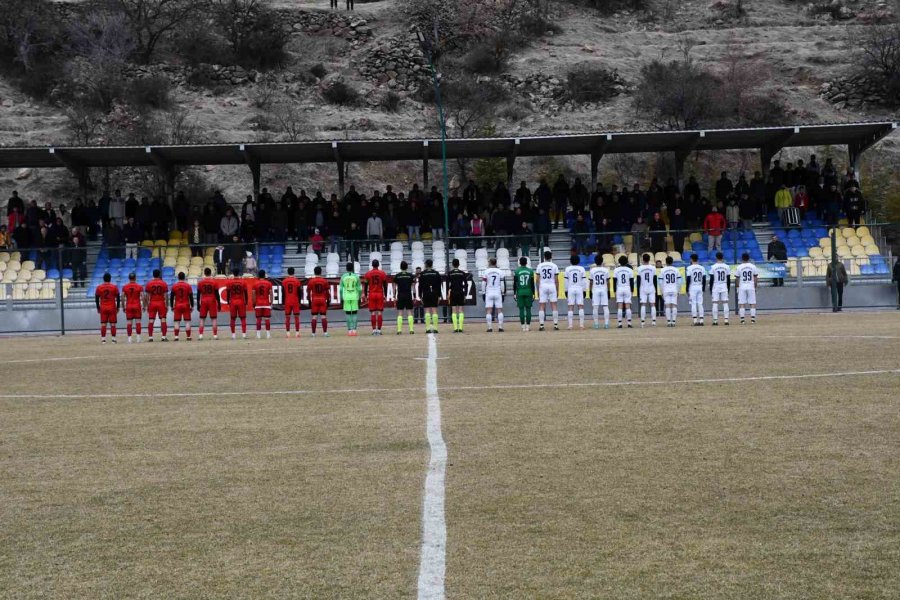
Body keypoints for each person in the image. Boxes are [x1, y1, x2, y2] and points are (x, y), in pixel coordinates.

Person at [536, 250, 560, 331]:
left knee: (542, 306)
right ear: (551, 257)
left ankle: (542, 325)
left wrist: (538, 290)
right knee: (554, 305)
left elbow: (537, 279)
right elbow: (556, 280)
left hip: (543, 286)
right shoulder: (554, 266)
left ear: (544, 257)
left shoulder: (540, 266)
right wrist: (557, 290)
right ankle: (556, 324)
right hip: (552, 285)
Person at [363, 259, 387, 335]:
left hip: (372, 293)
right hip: (379, 293)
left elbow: (366, 285)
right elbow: (385, 285)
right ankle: (379, 330)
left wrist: (366, 295)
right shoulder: (382, 273)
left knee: (373, 312)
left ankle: (374, 330)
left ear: (372, 265)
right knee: (379, 312)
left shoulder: (368, 274)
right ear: (378, 265)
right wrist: (385, 295)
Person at [418, 259, 443, 333]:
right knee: (434, 310)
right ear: (432, 264)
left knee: (427, 310)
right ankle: (435, 328)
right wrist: (439, 295)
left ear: (425, 265)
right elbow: (439, 285)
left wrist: (420, 295)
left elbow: (420, 286)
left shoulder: (422, 274)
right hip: (435, 293)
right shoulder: (436, 273)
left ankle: (428, 328)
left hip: (426, 293)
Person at [95, 272, 120, 344]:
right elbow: (118, 298)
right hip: (112, 307)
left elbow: (96, 298)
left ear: (103, 279)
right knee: (113, 324)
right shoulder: (114, 287)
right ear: (110, 279)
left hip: (103, 307)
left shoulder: (99, 287)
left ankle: (103, 340)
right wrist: (118, 307)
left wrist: (98, 307)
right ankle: (114, 339)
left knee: (103, 324)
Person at [145, 269, 170, 341]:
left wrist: (147, 305)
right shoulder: (163, 283)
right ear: (159, 275)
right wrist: (167, 305)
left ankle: (150, 337)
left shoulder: (149, 283)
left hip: (152, 302)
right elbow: (166, 295)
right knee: (163, 319)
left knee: (151, 320)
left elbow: (147, 296)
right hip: (161, 302)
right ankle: (163, 337)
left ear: (153, 275)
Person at [481, 258, 504, 333]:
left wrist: (483, 292)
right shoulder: (500, 271)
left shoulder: (486, 271)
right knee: (499, 310)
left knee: (488, 310)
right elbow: (502, 283)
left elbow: (483, 283)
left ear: (490, 263)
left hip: (489, 292)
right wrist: (503, 292)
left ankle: (490, 327)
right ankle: (500, 327)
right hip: (497, 292)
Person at [197, 268, 221, 340]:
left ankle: (201, 335)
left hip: (203, 300)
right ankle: (215, 335)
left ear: (204, 273)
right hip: (212, 300)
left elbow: (198, 294)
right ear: (211, 273)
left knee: (202, 319)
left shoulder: (200, 283)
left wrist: (198, 304)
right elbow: (217, 294)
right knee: (214, 319)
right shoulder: (214, 282)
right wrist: (219, 303)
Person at [563, 255, 586, 330]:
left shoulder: (567, 269)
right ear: (579, 261)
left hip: (571, 288)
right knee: (581, 306)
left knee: (570, 306)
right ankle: (581, 325)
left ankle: (570, 325)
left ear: (570, 261)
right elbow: (583, 281)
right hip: (579, 288)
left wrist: (566, 290)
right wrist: (584, 290)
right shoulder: (582, 269)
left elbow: (566, 281)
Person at [170, 272, 194, 341]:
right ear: (184, 277)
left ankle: (176, 336)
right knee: (187, 321)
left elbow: (171, 297)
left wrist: (171, 306)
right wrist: (192, 306)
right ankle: (188, 336)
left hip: (177, 305)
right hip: (186, 305)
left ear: (178, 277)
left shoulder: (174, 286)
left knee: (177, 321)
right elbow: (191, 297)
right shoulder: (188, 286)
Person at [513, 256, 535, 331]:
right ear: (526, 262)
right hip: (528, 291)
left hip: (520, 292)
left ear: (519, 263)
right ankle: (528, 326)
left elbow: (515, 284)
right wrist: (534, 293)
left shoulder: (517, 271)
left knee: (521, 309)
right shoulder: (530, 271)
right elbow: (532, 284)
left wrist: (514, 293)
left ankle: (523, 326)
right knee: (528, 309)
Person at [307, 266, 330, 337]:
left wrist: (309, 300)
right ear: (321, 272)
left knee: (314, 316)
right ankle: (325, 333)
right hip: (322, 299)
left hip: (314, 300)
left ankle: (313, 333)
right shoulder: (324, 281)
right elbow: (327, 292)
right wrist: (328, 300)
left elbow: (308, 291)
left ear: (314, 272)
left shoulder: (311, 281)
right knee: (323, 316)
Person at [225, 269, 249, 340]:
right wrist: (246, 301)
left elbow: (228, 293)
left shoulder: (229, 282)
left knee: (232, 318)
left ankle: (233, 335)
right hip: (241, 301)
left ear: (233, 273)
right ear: (239, 273)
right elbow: (245, 293)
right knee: (243, 318)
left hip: (233, 301)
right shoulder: (243, 282)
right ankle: (244, 334)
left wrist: (228, 301)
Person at [736, 253, 759, 324]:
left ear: (742, 258)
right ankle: (753, 319)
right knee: (752, 303)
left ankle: (742, 319)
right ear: (749, 258)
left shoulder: (739, 267)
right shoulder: (753, 266)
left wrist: (737, 286)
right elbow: (755, 277)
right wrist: (755, 286)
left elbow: (737, 278)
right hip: (750, 285)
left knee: (742, 303)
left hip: (742, 286)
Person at [709, 252, 731, 326]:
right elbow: (728, 279)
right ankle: (726, 320)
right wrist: (728, 288)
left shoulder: (713, 267)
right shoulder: (727, 267)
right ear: (723, 257)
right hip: (724, 285)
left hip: (716, 285)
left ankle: (715, 321)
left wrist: (710, 288)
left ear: (716, 257)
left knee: (715, 303)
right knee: (725, 303)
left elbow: (711, 279)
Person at [612, 255, 634, 329]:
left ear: (619, 262)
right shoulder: (630, 270)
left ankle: (620, 323)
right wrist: (632, 291)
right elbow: (631, 282)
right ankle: (629, 323)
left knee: (620, 307)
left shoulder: (616, 270)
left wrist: (615, 291)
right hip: (627, 288)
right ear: (627, 261)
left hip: (619, 288)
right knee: (628, 306)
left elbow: (614, 282)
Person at [589, 255, 610, 330]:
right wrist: (608, 291)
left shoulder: (592, 270)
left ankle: (596, 324)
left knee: (595, 307)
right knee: (605, 306)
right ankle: (606, 324)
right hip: (604, 289)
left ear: (595, 262)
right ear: (602, 261)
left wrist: (590, 291)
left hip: (595, 289)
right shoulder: (606, 270)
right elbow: (608, 282)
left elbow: (591, 282)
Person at [394, 261, 416, 334]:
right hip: (408, 295)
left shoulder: (397, 276)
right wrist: (415, 296)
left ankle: (399, 330)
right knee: (409, 311)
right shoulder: (410, 276)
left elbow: (394, 287)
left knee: (400, 312)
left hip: (400, 295)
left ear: (400, 267)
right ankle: (411, 330)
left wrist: (394, 296)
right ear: (407, 267)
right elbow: (413, 287)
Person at [448, 258, 469, 333]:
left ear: (452, 264)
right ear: (459, 264)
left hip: (453, 292)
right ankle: (460, 328)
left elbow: (447, 285)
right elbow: (466, 284)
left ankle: (455, 328)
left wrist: (448, 293)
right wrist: (465, 294)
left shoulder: (450, 273)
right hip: (460, 292)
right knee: (460, 310)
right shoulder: (462, 273)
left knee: (454, 310)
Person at [340, 262, 361, 336]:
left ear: (346, 268)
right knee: (354, 313)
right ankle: (354, 330)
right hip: (354, 296)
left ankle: (349, 330)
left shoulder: (343, 277)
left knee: (348, 313)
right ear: (352, 268)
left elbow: (340, 289)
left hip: (346, 296)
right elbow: (359, 289)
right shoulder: (356, 276)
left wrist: (341, 298)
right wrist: (360, 297)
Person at [636, 253, 657, 328]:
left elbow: (638, 280)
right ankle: (654, 321)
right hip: (651, 287)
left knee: (643, 304)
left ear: (642, 259)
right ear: (649, 259)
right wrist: (656, 289)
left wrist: (638, 290)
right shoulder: (653, 268)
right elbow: (655, 279)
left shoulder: (639, 268)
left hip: (643, 287)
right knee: (652, 304)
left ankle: (642, 322)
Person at [685, 254, 707, 326]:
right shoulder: (702, 268)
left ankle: (695, 321)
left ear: (691, 259)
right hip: (700, 286)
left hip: (693, 287)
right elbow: (704, 279)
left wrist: (687, 289)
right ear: (698, 259)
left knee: (693, 304)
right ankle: (701, 320)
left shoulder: (689, 268)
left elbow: (688, 279)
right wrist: (703, 288)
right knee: (700, 303)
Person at [252, 270, 274, 338]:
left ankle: (258, 335)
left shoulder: (255, 284)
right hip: (266, 303)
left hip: (258, 303)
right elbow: (271, 293)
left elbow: (253, 294)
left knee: (259, 319)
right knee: (267, 319)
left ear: (258, 275)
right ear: (264, 275)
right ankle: (268, 335)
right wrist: (271, 303)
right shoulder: (269, 283)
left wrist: (254, 303)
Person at [122, 272, 144, 343]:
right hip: (137, 305)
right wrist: (144, 306)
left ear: (129, 278)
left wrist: (123, 306)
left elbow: (122, 297)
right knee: (138, 322)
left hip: (129, 305)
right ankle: (138, 338)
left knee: (129, 323)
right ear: (135, 278)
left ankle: (129, 339)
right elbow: (143, 297)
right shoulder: (139, 286)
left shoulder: (125, 287)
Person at [659, 256, 680, 327]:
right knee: (674, 305)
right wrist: (678, 290)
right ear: (672, 262)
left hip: (666, 289)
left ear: (665, 262)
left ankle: (668, 322)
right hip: (674, 289)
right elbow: (679, 281)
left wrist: (662, 291)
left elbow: (660, 282)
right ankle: (673, 321)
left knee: (667, 306)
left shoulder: (662, 270)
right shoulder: (676, 270)